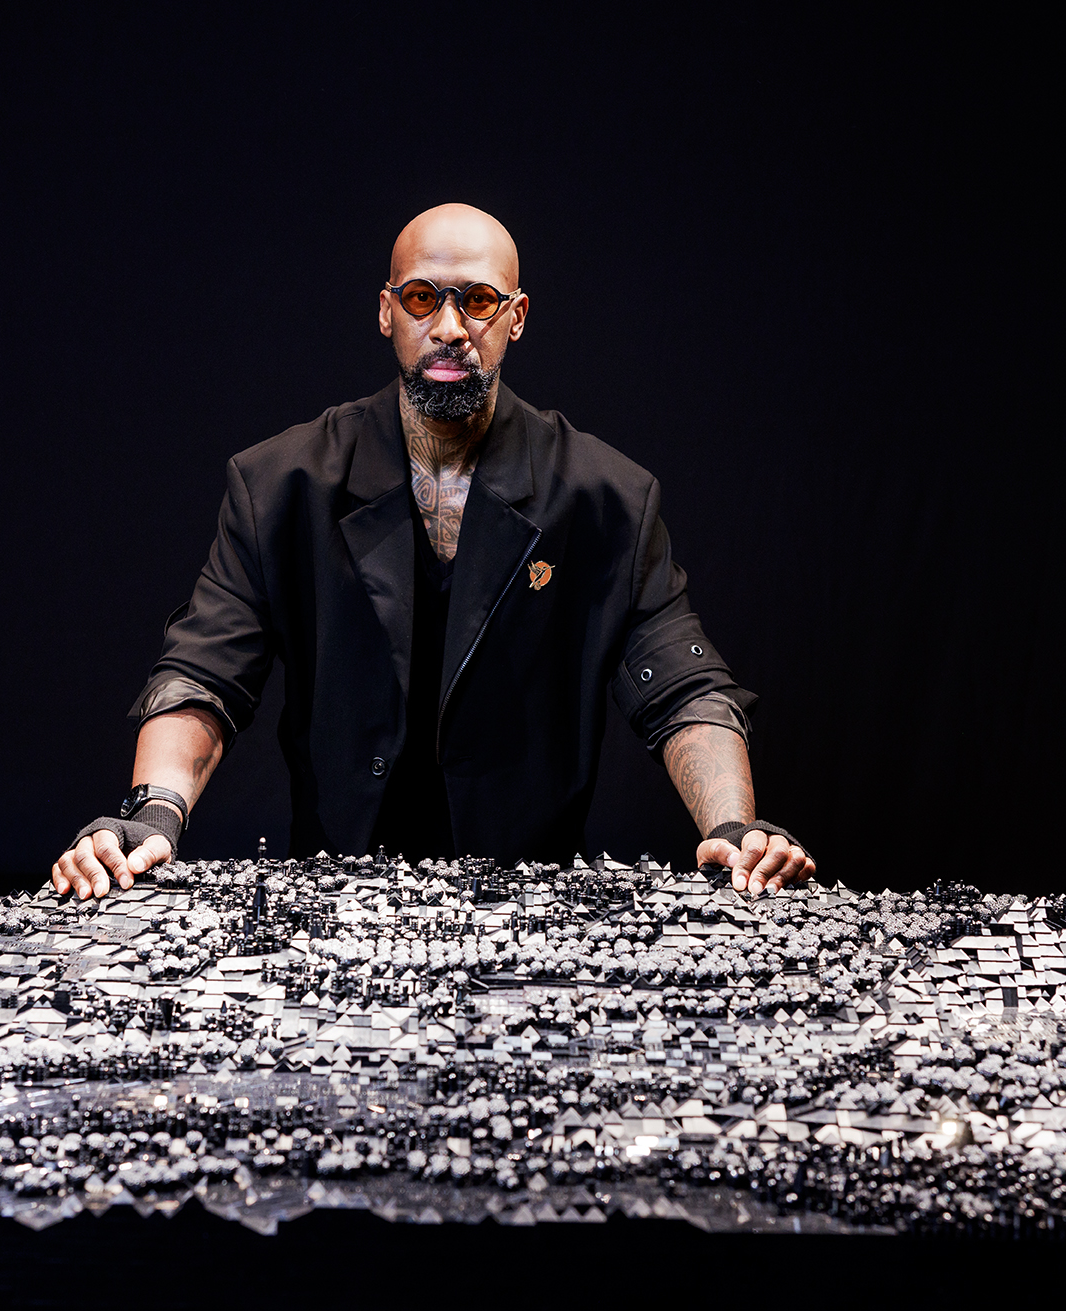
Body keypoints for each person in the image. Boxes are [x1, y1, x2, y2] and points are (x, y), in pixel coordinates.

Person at [51, 204, 813, 902]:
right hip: (332, 908)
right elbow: (202, 673)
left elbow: (683, 689)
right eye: (422, 298)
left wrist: (732, 827)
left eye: (478, 300)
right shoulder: (280, 484)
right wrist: (153, 813)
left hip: (531, 916)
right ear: (386, 311)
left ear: (516, 318)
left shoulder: (607, 497)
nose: (450, 326)